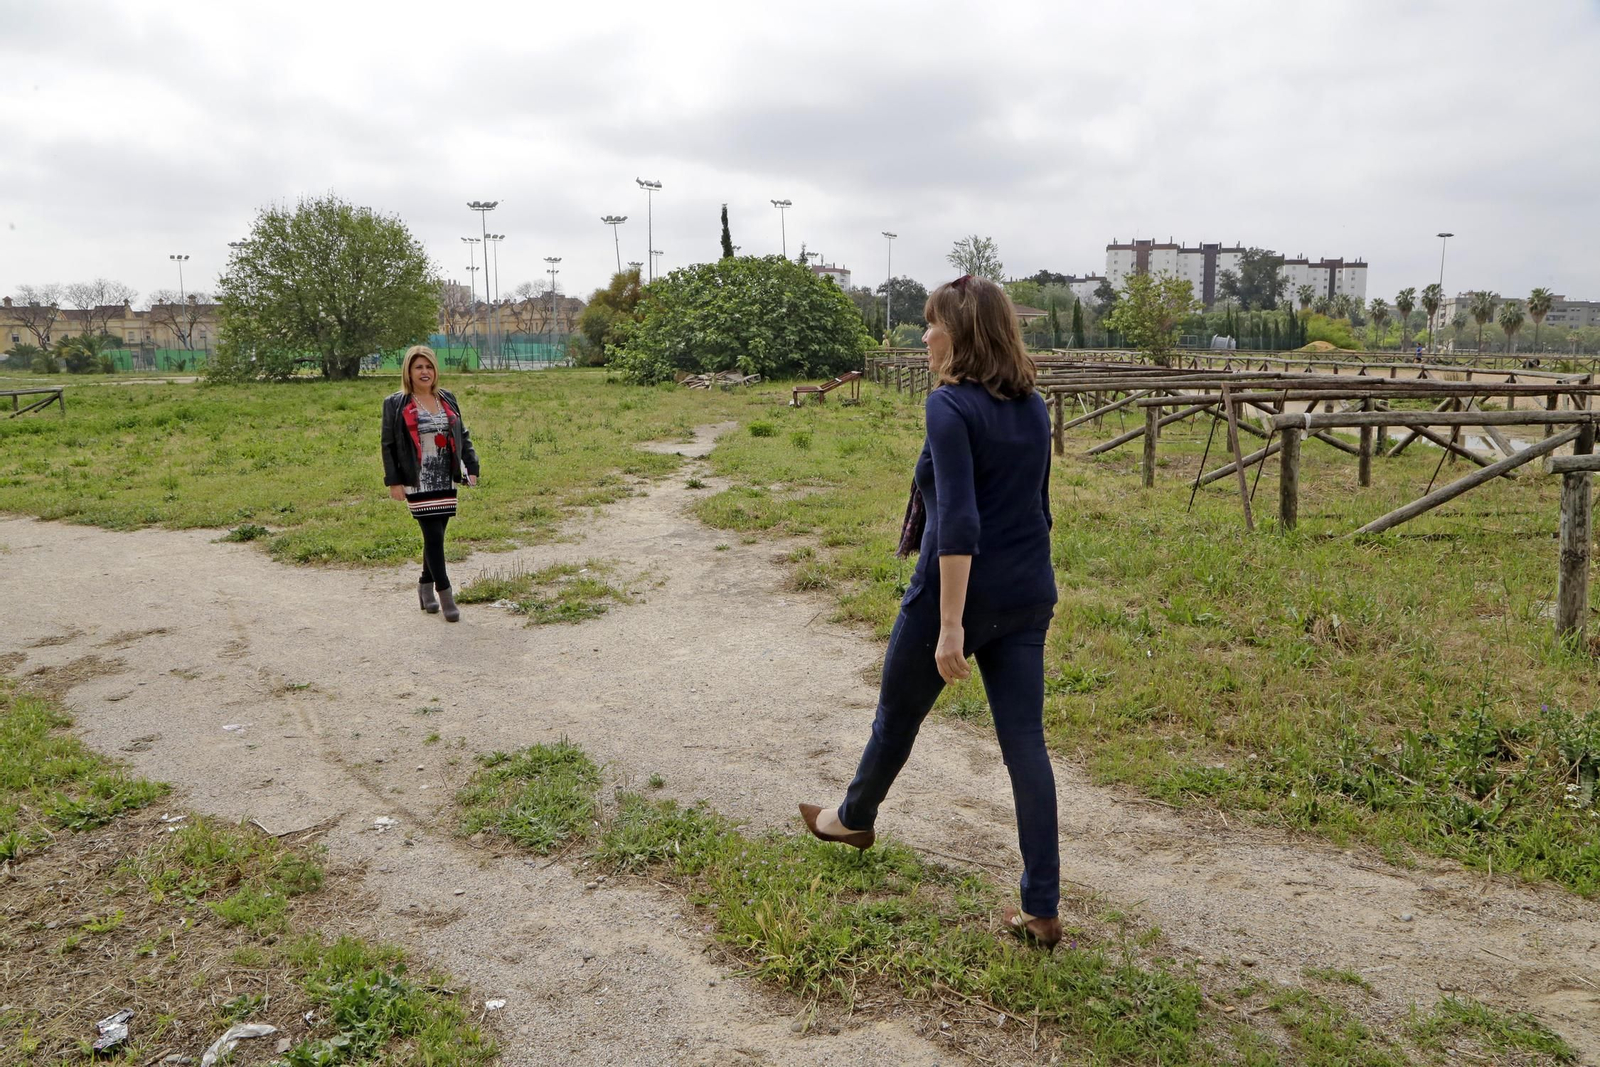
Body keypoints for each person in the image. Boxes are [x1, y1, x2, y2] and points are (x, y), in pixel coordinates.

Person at [799, 275, 1061, 947]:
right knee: (1025, 745)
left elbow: (959, 523)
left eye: (932, 323)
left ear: (963, 332)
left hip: (960, 592)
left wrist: (951, 625)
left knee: (896, 715)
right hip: (1029, 589)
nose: (924, 335)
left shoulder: (949, 407)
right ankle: (1041, 907)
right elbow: (1038, 507)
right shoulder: (1033, 406)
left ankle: (853, 817)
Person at [381, 346, 479, 622]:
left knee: (436, 535)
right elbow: (388, 444)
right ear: (409, 372)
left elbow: (462, 433)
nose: (425, 372)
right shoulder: (396, 403)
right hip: (417, 478)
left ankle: (424, 586)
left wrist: (471, 465)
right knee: (433, 536)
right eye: (418, 367)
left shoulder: (446, 398)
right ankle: (445, 593)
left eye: (429, 367)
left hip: (445, 475)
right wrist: (394, 482)